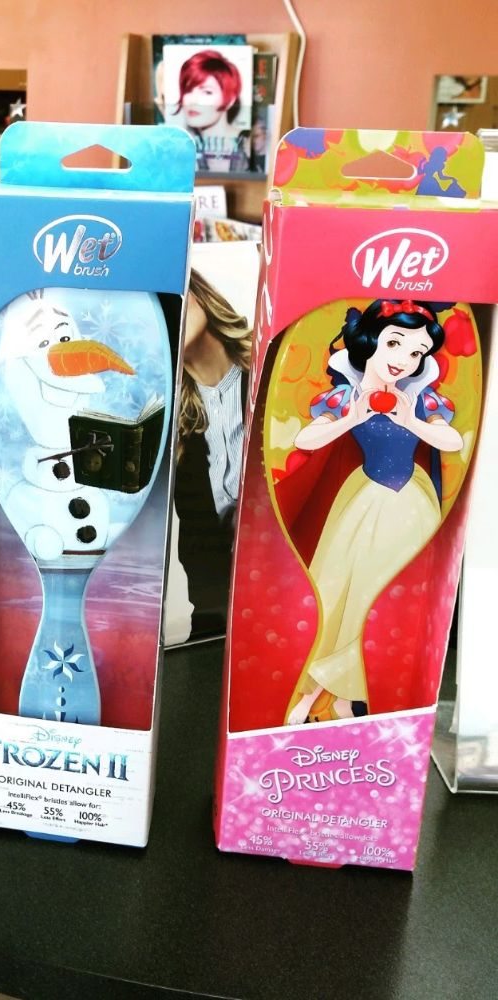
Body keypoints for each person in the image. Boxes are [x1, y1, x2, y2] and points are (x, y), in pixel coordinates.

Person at [275, 300, 463, 724]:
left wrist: (411, 420)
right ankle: (320, 697)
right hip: (364, 500)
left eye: (416, 352)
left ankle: (345, 697)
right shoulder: (346, 395)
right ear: (370, 341)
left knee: (383, 598)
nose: (404, 359)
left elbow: (452, 441)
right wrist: (353, 417)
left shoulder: (420, 398)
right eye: (394, 343)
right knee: (340, 592)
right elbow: (306, 439)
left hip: (411, 505)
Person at [172, 269, 250, 639]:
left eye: (176, 293)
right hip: (215, 614)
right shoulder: (169, 414)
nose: (172, 309)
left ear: (199, 292)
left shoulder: (274, 365)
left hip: (288, 585)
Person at [160, 49, 250, 172]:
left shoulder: (250, 144)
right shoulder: (180, 147)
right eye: (188, 90)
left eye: (207, 92)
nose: (192, 100)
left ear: (230, 100)